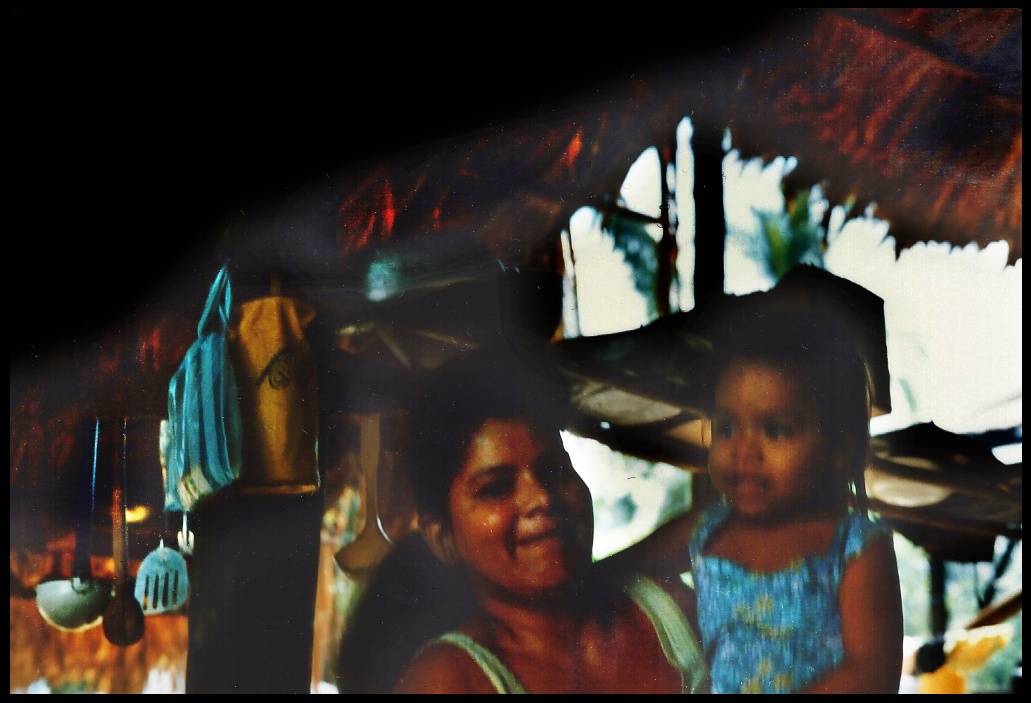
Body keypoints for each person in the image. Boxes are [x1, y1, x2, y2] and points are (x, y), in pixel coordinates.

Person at [337, 344, 710, 694]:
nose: (541, 498)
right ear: (443, 539)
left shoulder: (671, 613)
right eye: (497, 487)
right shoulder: (449, 681)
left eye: (554, 471)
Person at [605, 303, 904, 693]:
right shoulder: (705, 529)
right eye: (726, 428)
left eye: (775, 430)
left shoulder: (856, 547)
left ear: (841, 450)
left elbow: (870, 676)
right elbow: (610, 575)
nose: (744, 451)